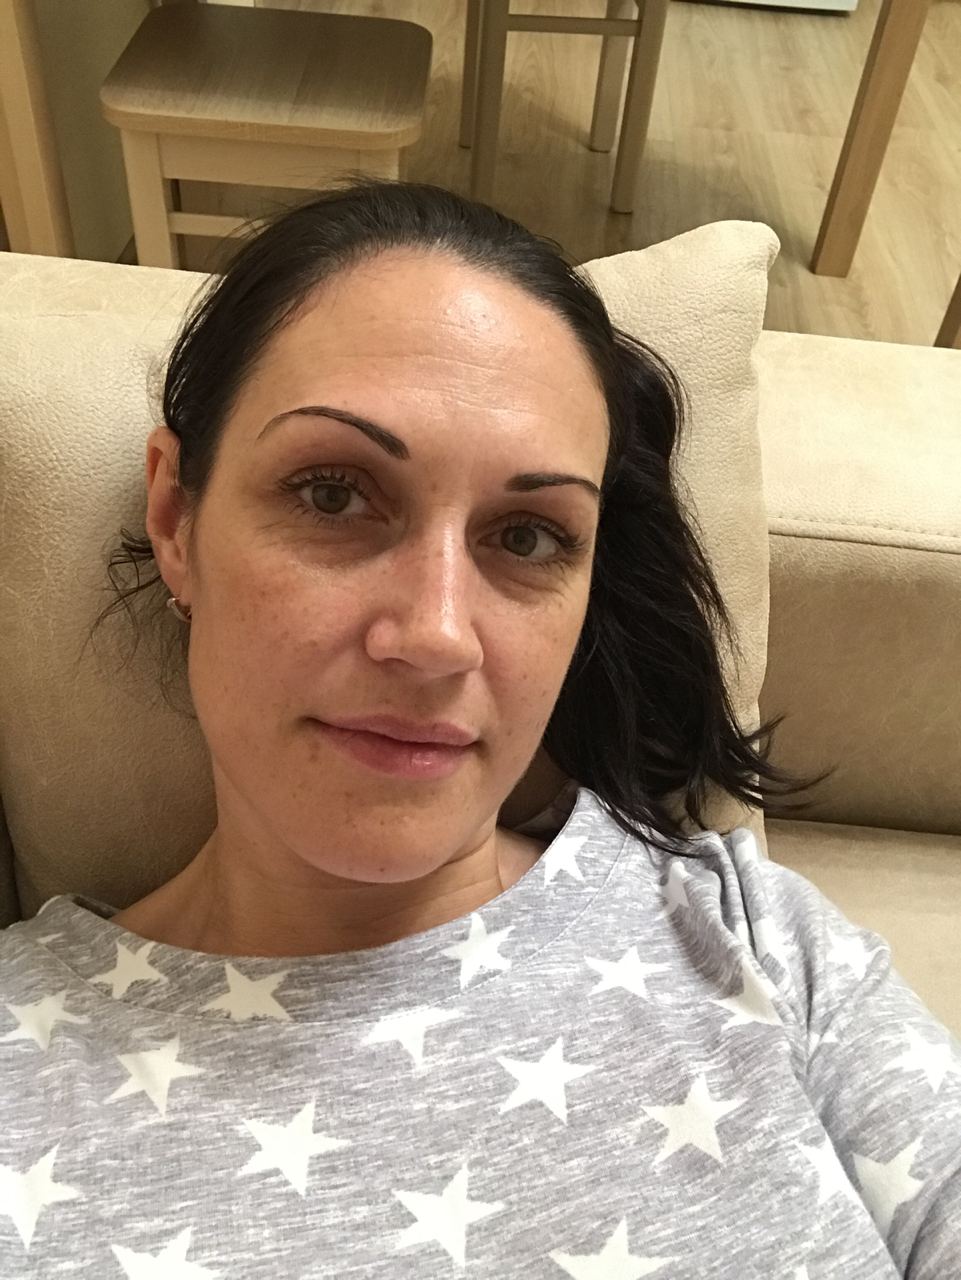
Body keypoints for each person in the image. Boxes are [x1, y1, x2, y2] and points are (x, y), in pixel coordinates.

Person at [1, 179, 957, 1278]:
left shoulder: (756, 939)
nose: (437, 634)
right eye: (331, 494)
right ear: (176, 518)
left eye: (528, 536)